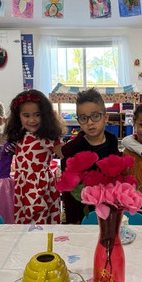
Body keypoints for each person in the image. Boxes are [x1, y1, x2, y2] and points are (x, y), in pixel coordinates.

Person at [4, 89, 65, 224]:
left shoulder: (48, 137)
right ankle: (27, 244)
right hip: (22, 185)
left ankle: (42, 243)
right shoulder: (20, 134)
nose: (32, 120)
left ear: (45, 115)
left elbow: (66, 157)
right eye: (26, 115)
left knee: (39, 219)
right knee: (24, 220)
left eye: (37, 115)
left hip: (40, 185)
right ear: (18, 116)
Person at [61, 87, 120, 224]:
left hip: (110, 209)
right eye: (83, 118)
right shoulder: (71, 150)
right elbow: (69, 193)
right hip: (84, 215)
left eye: (95, 116)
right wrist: (73, 221)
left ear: (105, 117)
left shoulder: (112, 142)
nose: (90, 122)